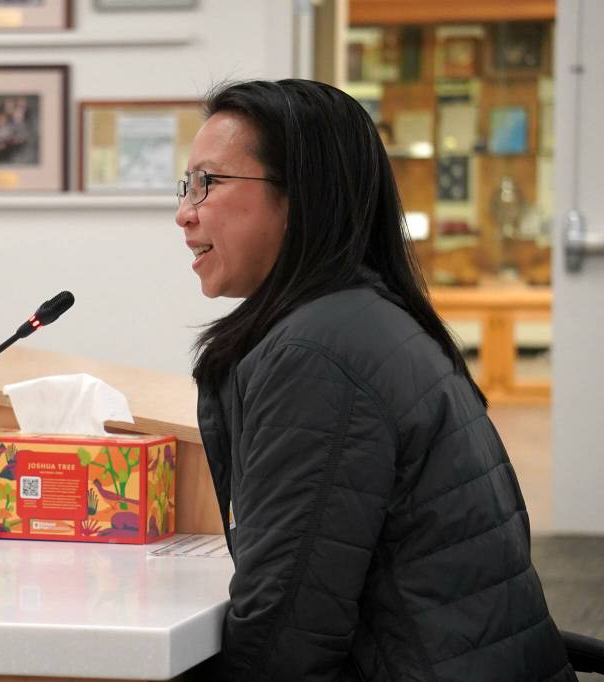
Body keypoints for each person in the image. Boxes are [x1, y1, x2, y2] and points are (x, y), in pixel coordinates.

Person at [176, 79, 574, 681]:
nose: (185, 212)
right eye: (186, 185)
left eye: (208, 182)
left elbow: (284, 641)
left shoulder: (317, 354)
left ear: (303, 196)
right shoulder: (360, 319)